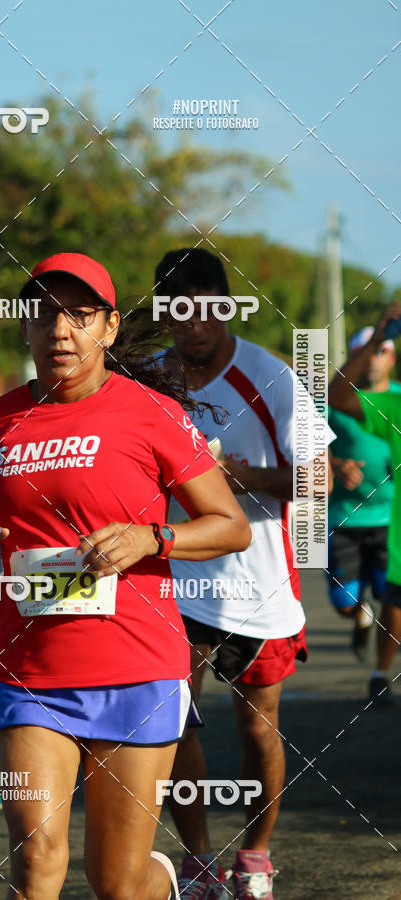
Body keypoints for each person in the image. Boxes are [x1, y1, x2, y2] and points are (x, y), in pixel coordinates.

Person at [0, 251, 251, 900]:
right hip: (28, 673)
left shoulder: (152, 414)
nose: (60, 330)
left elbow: (230, 525)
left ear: (109, 329)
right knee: (36, 861)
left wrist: (153, 537)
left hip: (137, 667)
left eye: (79, 316)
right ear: (25, 329)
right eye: (44, 315)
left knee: (116, 881)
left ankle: (165, 880)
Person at [152, 247, 334, 900]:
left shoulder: (271, 376)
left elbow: (319, 478)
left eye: (206, 307)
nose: (193, 323)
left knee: (257, 729)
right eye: (179, 309)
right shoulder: (149, 380)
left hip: (258, 588)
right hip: (173, 581)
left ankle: (254, 855)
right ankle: (198, 860)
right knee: (173, 719)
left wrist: (242, 479)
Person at [329, 302, 401, 705]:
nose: (376, 357)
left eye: (384, 350)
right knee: (345, 603)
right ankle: (358, 617)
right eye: (371, 350)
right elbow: (307, 444)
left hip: (391, 523)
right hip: (346, 517)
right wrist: (336, 464)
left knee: (391, 599)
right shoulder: (377, 406)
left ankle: (379, 673)